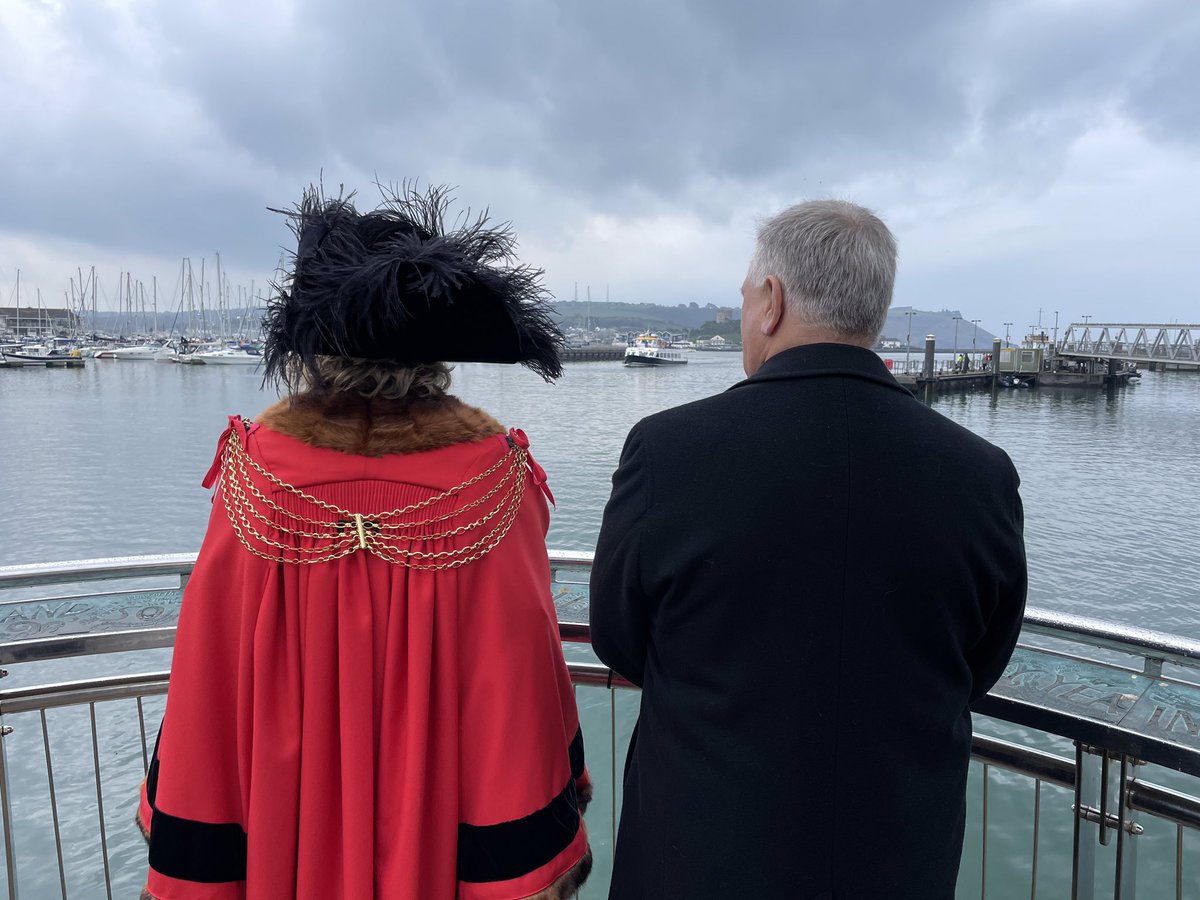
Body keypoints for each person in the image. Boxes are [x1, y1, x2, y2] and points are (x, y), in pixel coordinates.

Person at [138, 184, 592, 900]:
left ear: (313, 357)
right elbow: (520, 676)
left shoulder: (254, 479)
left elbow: (209, 672)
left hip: (283, 833)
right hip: (448, 836)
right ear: (437, 359)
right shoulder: (497, 483)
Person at [589, 200, 1027, 899]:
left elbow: (618, 637)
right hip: (897, 859)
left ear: (772, 301)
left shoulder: (667, 451)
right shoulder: (982, 472)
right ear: (874, 314)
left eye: (742, 299)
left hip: (699, 853)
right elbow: (982, 660)